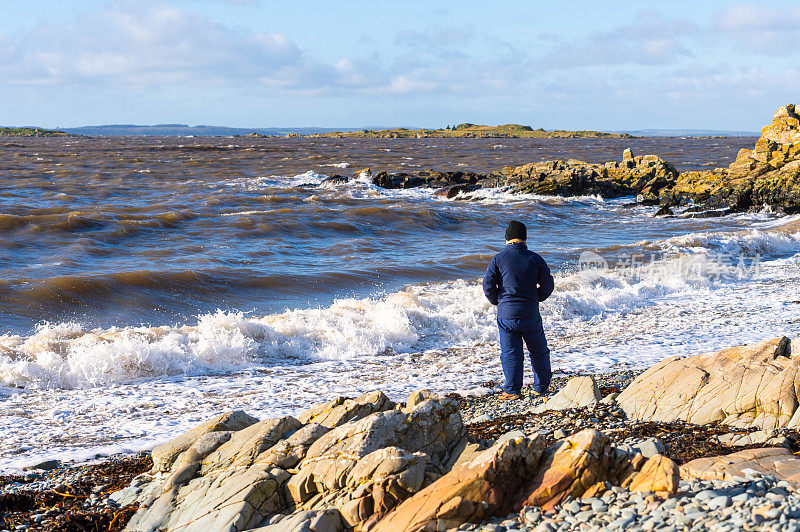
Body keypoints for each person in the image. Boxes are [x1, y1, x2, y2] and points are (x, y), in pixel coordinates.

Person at [482, 220, 555, 401]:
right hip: (530, 312)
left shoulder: (498, 259)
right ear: (524, 238)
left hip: (507, 315)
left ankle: (513, 391)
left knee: (511, 353)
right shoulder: (535, 258)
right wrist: (536, 298)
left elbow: (488, 285)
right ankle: (541, 387)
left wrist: (498, 301)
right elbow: (548, 284)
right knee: (539, 351)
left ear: (507, 239)